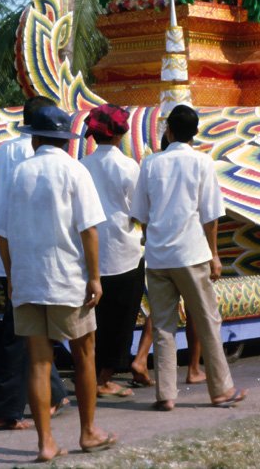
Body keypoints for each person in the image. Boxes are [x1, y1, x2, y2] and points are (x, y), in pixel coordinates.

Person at [0, 105, 116, 463]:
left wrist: (12, 274)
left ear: (33, 138)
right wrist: (95, 276)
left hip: (29, 278)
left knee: (38, 362)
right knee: (84, 354)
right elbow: (89, 230)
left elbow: (1, 233)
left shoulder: (20, 174)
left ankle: (45, 442)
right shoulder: (74, 171)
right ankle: (88, 431)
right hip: (67, 278)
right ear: (66, 142)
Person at [130, 105, 246, 411]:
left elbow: (140, 213)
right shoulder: (201, 163)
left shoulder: (151, 164)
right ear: (195, 134)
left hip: (158, 256)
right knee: (208, 321)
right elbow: (210, 215)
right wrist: (215, 255)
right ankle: (220, 390)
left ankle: (166, 394)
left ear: (168, 131)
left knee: (164, 326)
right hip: (192, 253)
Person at [0, 95, 70, 430]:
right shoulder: (32, 154)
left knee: (30, 331)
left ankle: (54, 393)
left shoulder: (5, 149)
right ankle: (2, 410)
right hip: (28, 253)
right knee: (21, 335)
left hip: (6, 250)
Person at [80, 104, 146, 398]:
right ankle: (102, 378)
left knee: (94, 319)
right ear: (122, 133)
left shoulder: (82, 166)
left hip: (88, 251)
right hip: (124, 251)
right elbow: (139, 210)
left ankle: (92, 375)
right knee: (121, 319)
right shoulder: (128, 167)